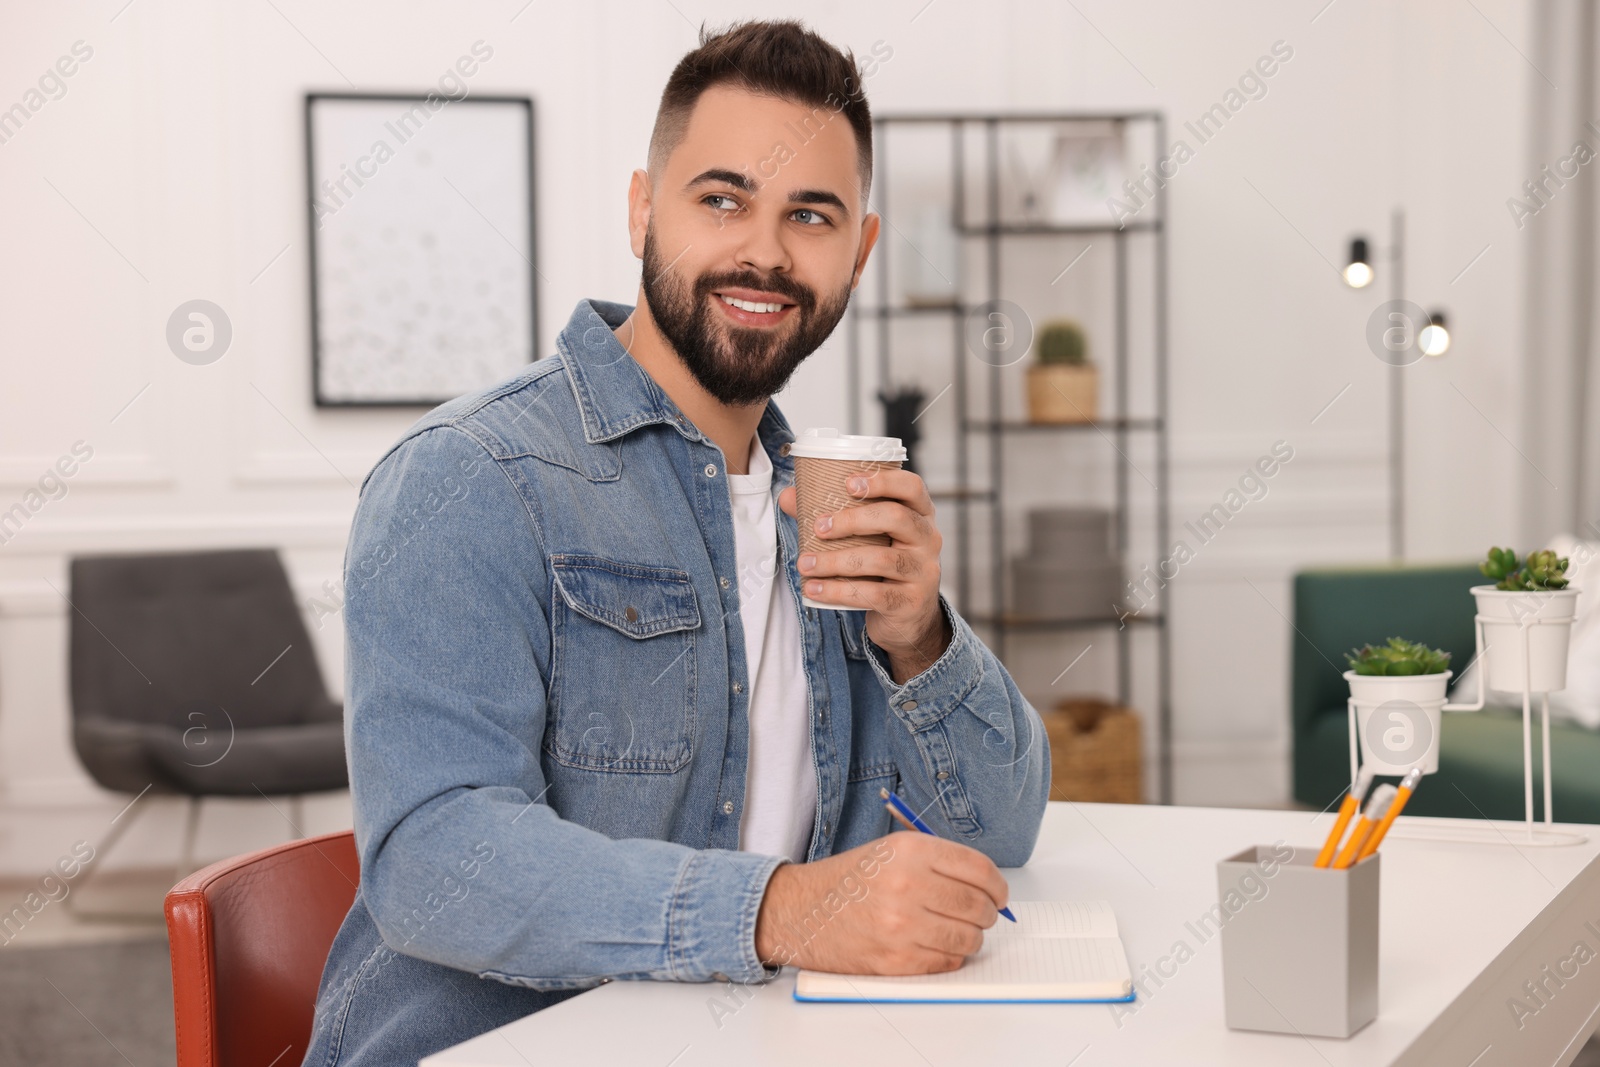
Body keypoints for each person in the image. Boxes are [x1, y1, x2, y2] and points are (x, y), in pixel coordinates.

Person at [302, 18, 1049, 1064]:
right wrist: (780, 909)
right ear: (642, 208)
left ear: (859, 252)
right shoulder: (469, 475)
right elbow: (436, 859)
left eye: (811, 215)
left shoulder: (824, 509)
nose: (765, 250)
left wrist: (921, 638)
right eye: (722, 198)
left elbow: (1002, 830)